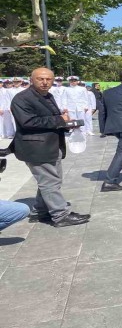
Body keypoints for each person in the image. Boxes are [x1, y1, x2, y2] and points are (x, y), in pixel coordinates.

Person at [10, 67, 89, 227]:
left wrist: (66, 124)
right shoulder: (22, 98)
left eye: (49, 79)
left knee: (51, 180)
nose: (45, 82)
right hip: (37, 148)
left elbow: (54, 118)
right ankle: (60, 216)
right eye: (40, 79)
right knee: (49, 181)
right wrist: (60, 120)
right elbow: (28, 122)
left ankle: (40, 211)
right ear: (31, 79)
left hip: (51, 146)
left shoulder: (48, 96)